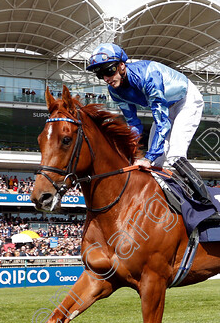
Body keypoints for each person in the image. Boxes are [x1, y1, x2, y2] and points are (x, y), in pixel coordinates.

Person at [86, 42, 212, 207]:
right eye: (100, 74)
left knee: (174, 155)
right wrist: (130, 154)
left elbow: (162, 122)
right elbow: (133, 125)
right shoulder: (114, 91)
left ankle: (206, 202)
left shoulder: (147, 76)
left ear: (122, 66)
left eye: (109, 71)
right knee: (154, 165)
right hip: (167, 108)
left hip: (186, 101)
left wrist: (149, 157)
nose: (106, 78)